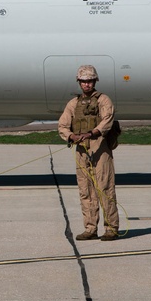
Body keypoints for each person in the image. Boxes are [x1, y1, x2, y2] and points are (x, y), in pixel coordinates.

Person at [57, 65, 121, 241]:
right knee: (86, 191)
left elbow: (107, 121)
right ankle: (90, 228)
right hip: (81, 151)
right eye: (84, 81)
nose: (87, 84)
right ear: (79, 82)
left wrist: (92, 133)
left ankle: (111, 228)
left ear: (95, 81)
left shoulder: (103, 100)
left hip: (100, 149)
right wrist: (71, 136)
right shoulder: (73, 104)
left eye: (90, 81)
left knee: (105, 188)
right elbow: (62, 125)